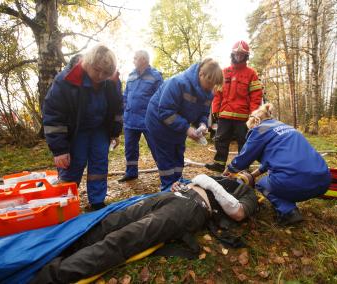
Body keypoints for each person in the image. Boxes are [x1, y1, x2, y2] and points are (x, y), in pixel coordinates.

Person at [29, 174, 258, 283]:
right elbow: (194, 181)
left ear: (247, 182)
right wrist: (184, 183)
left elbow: (237, 212)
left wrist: (207, 183)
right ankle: (52, 254)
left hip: (191, 209)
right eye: (236, 172)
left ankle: (51, 277)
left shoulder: (245, 194)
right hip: (170, 196)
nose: (236, 176)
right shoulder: (219, 177)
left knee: (127, 237)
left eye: (243, 176)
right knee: (111, 222)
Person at [43, 44, 123, 210]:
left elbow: (117, 107)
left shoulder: (112, 80)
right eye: (97, 70)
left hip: (100, 128)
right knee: (73, 163)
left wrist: (115, 132)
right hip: (76, 130)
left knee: (100, 163)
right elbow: (53, 115)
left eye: (106, 73)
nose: (101, 76)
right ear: (87, 63)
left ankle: (97, 201)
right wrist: (59, 150)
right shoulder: (66, 80)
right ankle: (64, 202)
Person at [224, 103, 331, 226]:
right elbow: (274, 159)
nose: (250, 131)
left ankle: (288, 212)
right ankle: (290, 196)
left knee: (262, 185)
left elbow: (244, 157)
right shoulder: (286, 127)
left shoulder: (260, 129)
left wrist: (229, 170)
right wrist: (253, 175)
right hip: (324, 180)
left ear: (256, 121)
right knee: (278, 178)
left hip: (299, 181)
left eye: (250, 128)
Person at [145, 58, 223, 190]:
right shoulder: (177, 83)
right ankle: (168, 187)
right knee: (166, 156)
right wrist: (187, 129)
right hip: (158, 123)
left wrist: (202, 124)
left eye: (214, 84)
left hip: (179, 126)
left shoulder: (209, 93)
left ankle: (177, 181)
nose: (211, 87)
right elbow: (165, 111)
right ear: (201, 74)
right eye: (209, 82)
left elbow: (203, 113)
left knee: (178, 153)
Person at [205, 40, 263, 173]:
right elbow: (217, 93)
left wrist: (254, 114)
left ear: (245, 56)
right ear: (233, 54)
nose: (239, 56)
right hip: (225, 114)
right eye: (237, 53)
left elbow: (256, 96)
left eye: (242, 54)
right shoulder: (224, 72)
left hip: (243, 116)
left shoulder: (251, 73)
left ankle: (243, 167)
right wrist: (215, 110)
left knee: (244, 142)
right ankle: (219, 164)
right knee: (220, 139)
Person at [118, 50, 163, 183]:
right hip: (130, 120)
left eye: (135, 58)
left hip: (148, 120)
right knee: (130, 148)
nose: (133, 60)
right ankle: (131, 173)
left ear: (143, 59)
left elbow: (161, 98)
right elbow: (126, 94)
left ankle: (165, 173)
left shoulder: (156, 76)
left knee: (156, 148)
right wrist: (125, 107)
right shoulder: (131, 75)